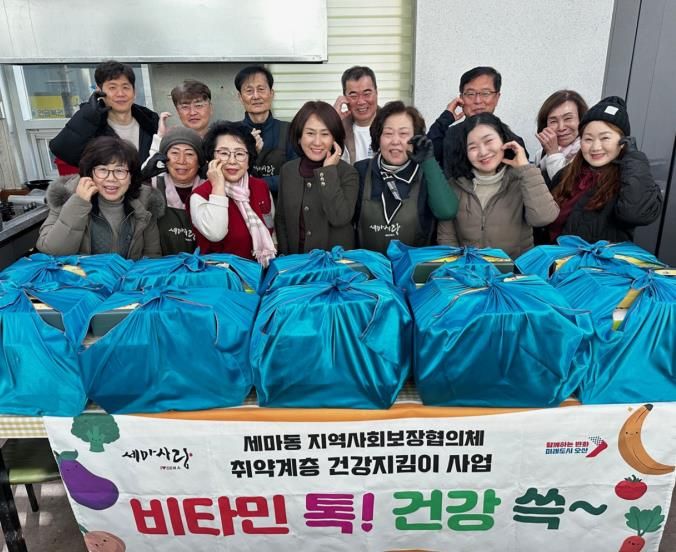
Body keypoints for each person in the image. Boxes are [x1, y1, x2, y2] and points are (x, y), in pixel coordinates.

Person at [437, 113, 559, 259]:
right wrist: (458, 267)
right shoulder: (455, 186)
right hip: (469, 270)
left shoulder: (523, 179)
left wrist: (525, 168)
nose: (483, 152)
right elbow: (447, 237)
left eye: (488, 141)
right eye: (473, 147)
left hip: (515, 269)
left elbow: (544, 218)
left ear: (503, 139)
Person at [546, 96, 662, 244]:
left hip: (594, 259)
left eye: (605, 138)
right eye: (588, 139)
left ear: (623, 142)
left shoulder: (628, 179)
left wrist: (634, 157)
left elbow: (635, 214)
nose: (595, 147)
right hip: (553, 255)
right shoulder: (566, 174)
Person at [353, 101, 458, 253]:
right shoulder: (361, 171)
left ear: (416, 138)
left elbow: (447, 211)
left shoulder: (427, 172)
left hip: (415, 266)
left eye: (403, 134)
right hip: (369, 266)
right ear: (378, 137)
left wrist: (429, 161)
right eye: (388, 133)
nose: (395, 141)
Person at [37, 136, 163, 259]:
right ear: (90, 173)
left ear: (131, 177)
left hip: (130, 273)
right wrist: (78, 203)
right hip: (80, 273)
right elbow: (52, 251)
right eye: (102, 170)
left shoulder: (145, 201)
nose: (111, 178)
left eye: (120, 171)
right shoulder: (67, 195)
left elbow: (152, 257)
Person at [275, 101, 359, 254]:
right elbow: (282, 220)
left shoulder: (348, 173)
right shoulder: (288, 170)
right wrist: (284, 257)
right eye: (310, 133)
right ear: (299, 137)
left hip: (335, 264)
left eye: (325, 134)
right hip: (296, 262)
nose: (317, 142)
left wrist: (328, 171)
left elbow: (339, 217)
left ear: (335, 139)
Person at [49, 60, 159, 176]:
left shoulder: (150, 121)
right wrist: (87, 117)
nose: (120, 94)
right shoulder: (90, 124)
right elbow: (62, 150)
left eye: (126, 87)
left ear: (134, 91)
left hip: (144, 187)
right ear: (99, 91)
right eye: (112, 87)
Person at [189, 121, 276, 266]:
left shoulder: (260, 187)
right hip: (221, 277)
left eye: (240, 154)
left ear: (249, 160)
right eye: (224, 153)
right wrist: (218, 186)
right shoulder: (200, 195)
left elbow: (270, 228)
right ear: (211, 157)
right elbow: (216, 233)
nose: (232, 161)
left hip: (260, 272)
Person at [426, 66, 528, 176]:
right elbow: (424, 157)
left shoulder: (512, 142)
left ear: (497, 97)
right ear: (461, 98)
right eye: (470, 94)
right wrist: (445, 119)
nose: (478, 101)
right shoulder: (448, 136)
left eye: (485, 93)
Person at [142, 127, 206, 255]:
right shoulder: (152, 185)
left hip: (202, 265)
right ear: (164, 159)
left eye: (189, 154)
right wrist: (141, 180)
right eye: (175, 153)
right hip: (160, 264)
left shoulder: (211, 189)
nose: (181, 160)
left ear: (199, 162)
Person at [235, 66, 296, 195]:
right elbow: (228, 176)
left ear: (271, 93)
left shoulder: (290, 130)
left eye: (261, 89)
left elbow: (295, 175)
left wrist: (253, 184)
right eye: (249, 91)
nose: (256, 96)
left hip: (282, 204)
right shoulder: (231, 133)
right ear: (240, 97)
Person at [534, 90, 588, 183]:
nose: (561, 127)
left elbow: (565, 185)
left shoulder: (588, 153)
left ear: (581, 119)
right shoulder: (541, 155)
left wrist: (553, 153)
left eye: (568, 118)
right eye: (553, 121)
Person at [333, 66, 379, 164]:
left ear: (376, 92)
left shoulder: (391, 123)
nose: (361, 101)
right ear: (344, 97)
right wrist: (332, 120)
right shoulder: (339, 129)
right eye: (353, 96)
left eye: (367, 94)